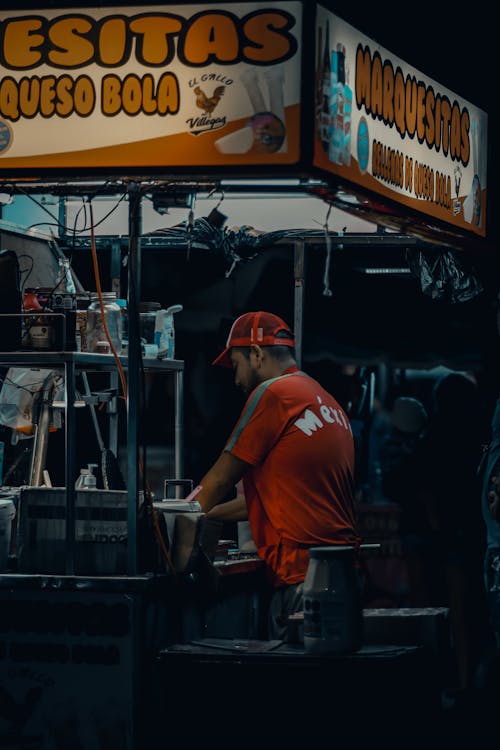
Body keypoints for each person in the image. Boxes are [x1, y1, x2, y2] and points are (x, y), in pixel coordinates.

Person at [195, 310, 360, 640]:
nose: (235, 379)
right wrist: (207, 516)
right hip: (341, 575)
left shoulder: (274, 394)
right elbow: (280, 499)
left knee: (289, 686)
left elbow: (218, 480)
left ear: (256, 354)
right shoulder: (322, 399)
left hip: (302, 580)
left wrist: (173, 522)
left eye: (237, 365)